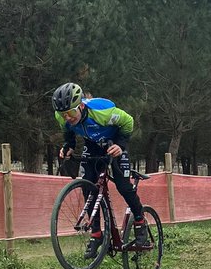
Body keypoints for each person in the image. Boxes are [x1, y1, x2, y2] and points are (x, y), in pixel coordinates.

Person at [52, 83, 149, 258]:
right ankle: (96, 234)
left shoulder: (101, 113)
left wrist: (121, 145)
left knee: (123, 186)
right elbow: (67, 131)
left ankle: (141, 222)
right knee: (88, 184)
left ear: (81, 105)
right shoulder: (63, 117)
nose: (67, 117)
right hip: (93, 145)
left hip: (114, 141)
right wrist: (69, 145)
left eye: (71, 113)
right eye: (63, 114)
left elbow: (128, 121)